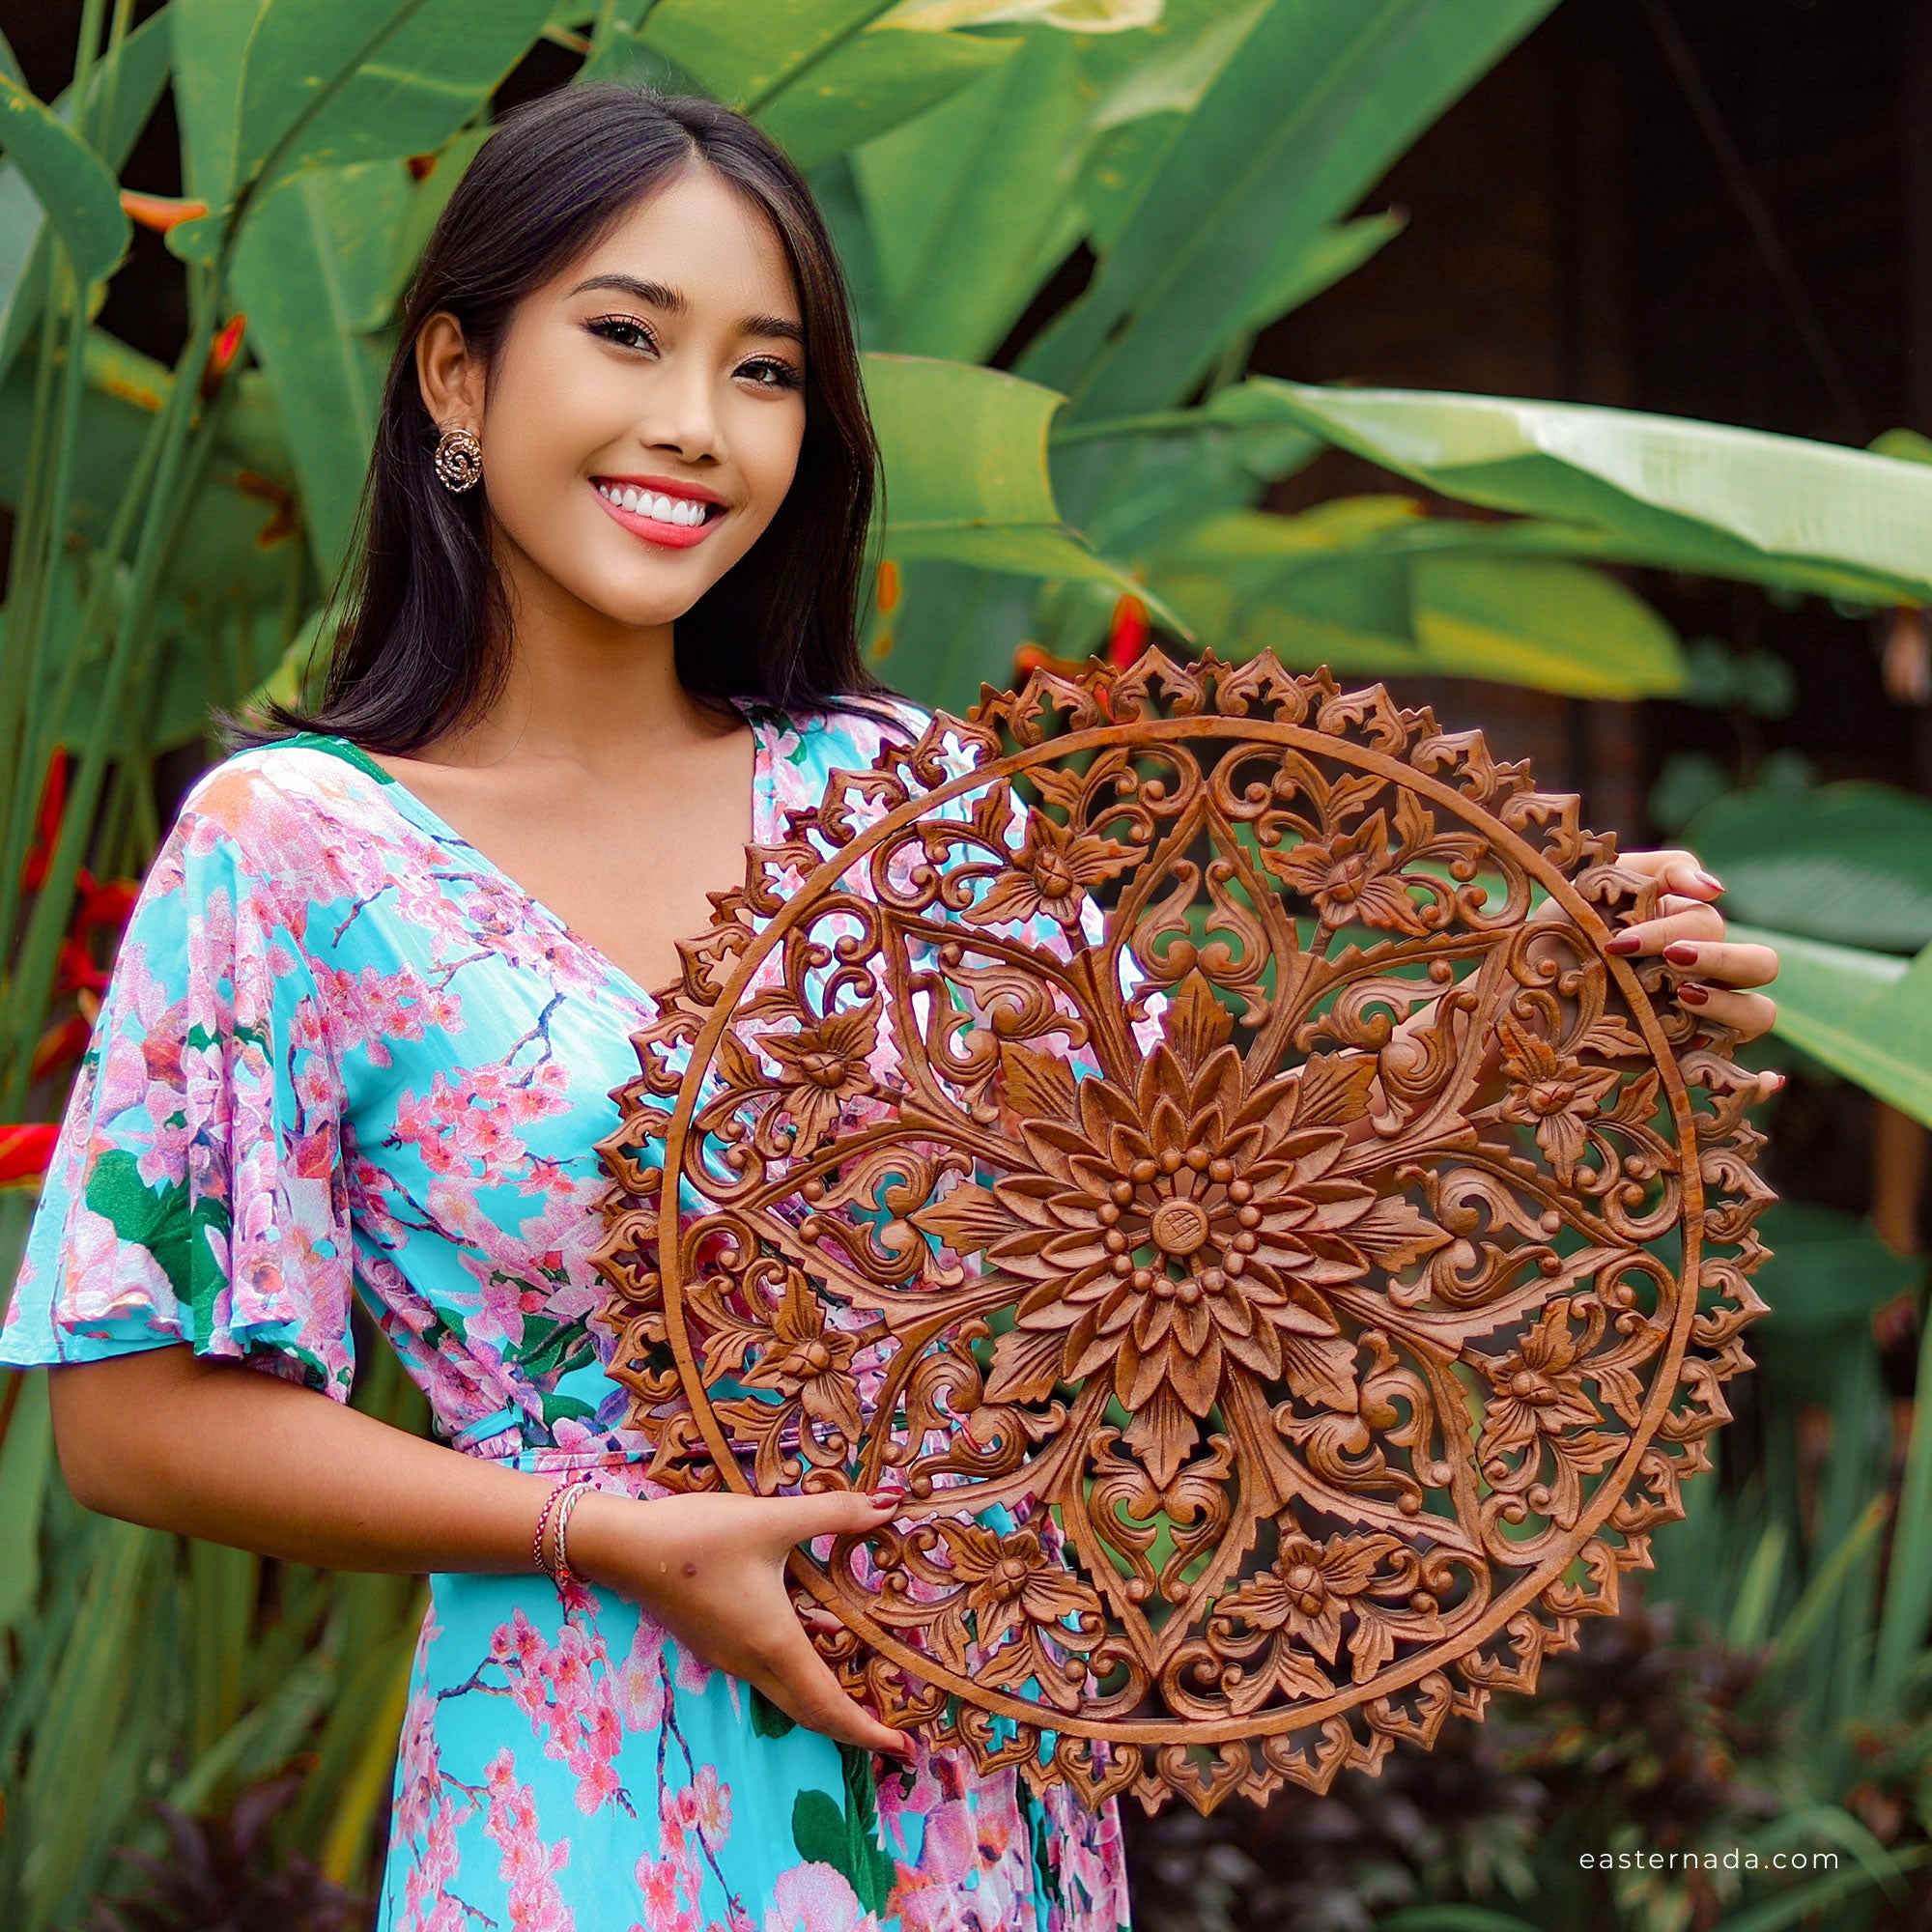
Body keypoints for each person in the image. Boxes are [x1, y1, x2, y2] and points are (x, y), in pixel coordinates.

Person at [0, 84, 1779, 1932]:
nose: (693, 427)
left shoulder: (896, 800)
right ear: (458, 379)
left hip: (975, 1784)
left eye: (764, 371)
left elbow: (1202, 1217)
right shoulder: (294, 850)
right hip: (593, 1793)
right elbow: (130, 1418)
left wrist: (1554, 1015)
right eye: (626, 336)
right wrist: (604, 1533)